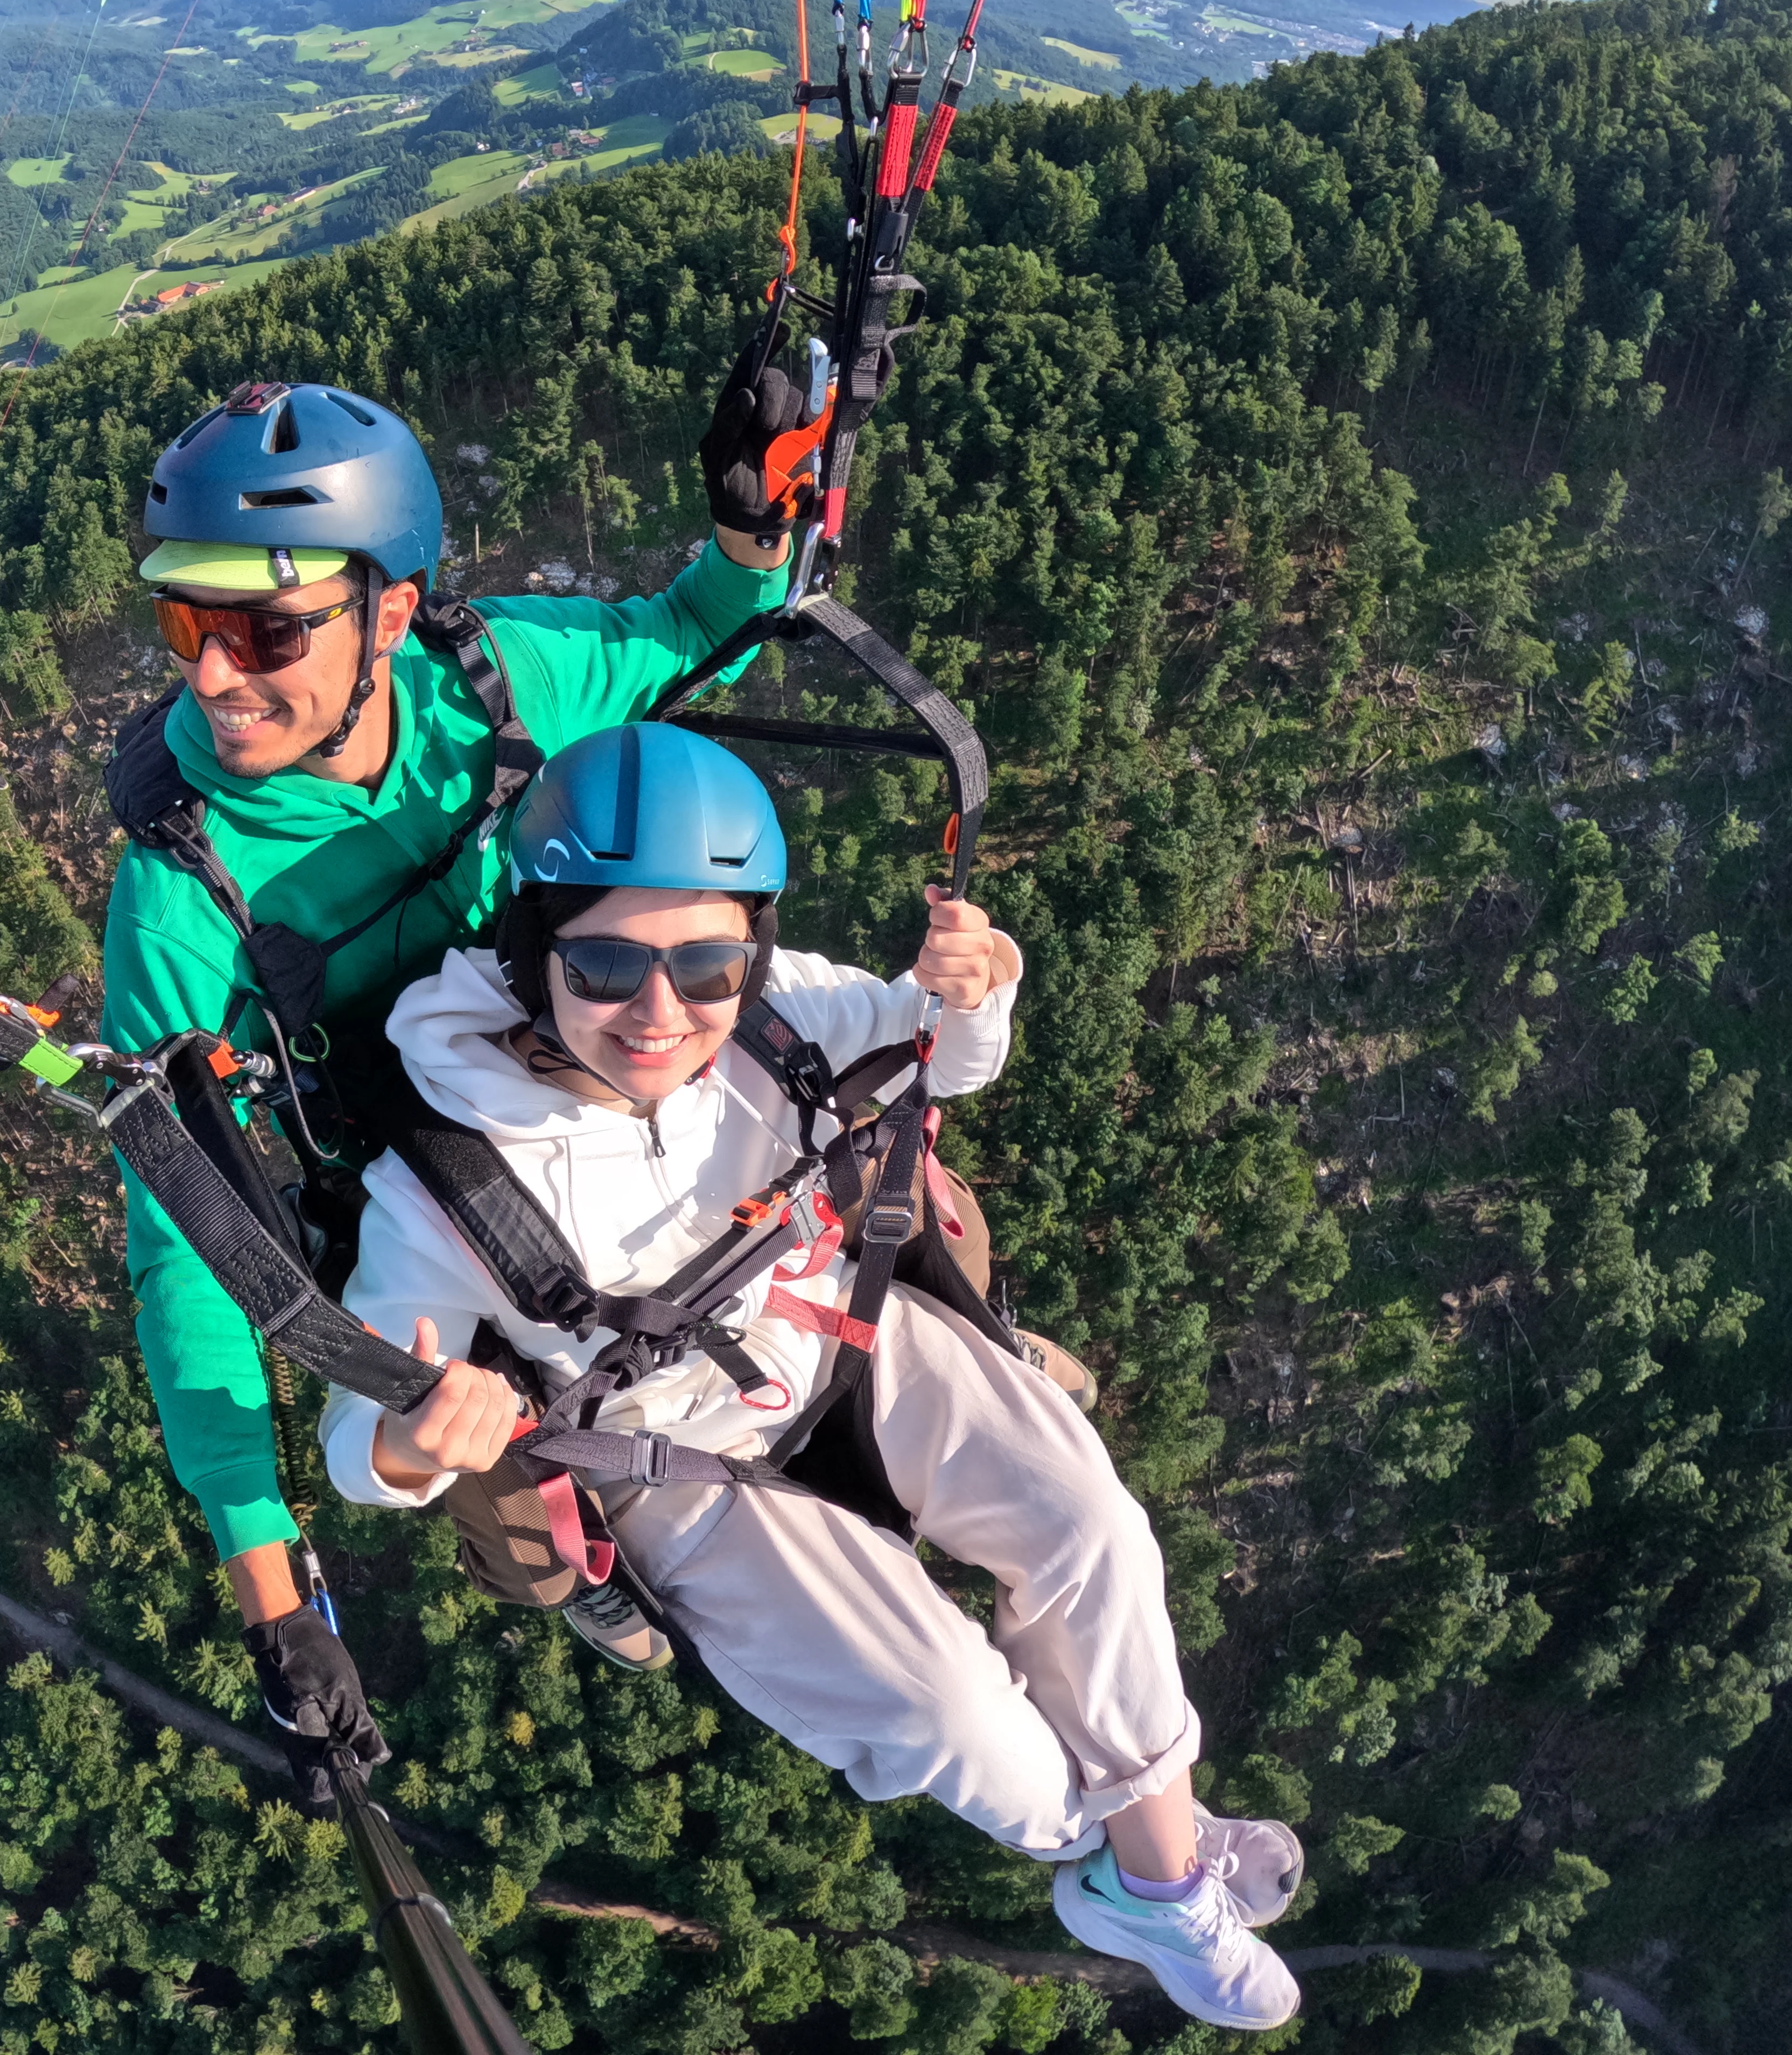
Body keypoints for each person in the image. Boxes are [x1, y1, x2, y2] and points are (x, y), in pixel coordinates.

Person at [318, 723, 1304, 2032]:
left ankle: (1161, 1873)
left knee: (1096, 1535)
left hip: (846, 1339)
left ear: (752, 955)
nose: (661, 1013)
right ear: (532, 950)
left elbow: (944, 1054)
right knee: (956, 1719)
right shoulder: (447, 1176)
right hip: (679, 1460)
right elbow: (352, 1447)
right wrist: (421, 1438)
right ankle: (1127, 1848)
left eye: (707, 965)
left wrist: (981, 982)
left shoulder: (775, 1022)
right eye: (605, 965)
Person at [100, 364, 814, 1798]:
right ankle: (582, 1580)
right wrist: (276, 1591)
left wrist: (751, 538)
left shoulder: (490, 683)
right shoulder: (183, 901)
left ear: (393, 612)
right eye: (188, 620)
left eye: (266, 625)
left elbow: (689, 642)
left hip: (584, 1088)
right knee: (539, 1532)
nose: (214, 675)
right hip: (425, 1239)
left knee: (896, 1197)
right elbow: (194, 1242)